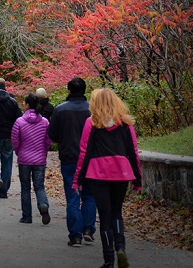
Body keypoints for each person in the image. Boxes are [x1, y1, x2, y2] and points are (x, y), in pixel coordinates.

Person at [73, 88, 142, 268]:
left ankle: (109, 260)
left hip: (98, 173)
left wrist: (78, 179)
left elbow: (84, 152)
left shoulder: (92, 123)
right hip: (121, 172)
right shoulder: (126, 123)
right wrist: (137, 179)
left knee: (104, 215)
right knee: (117, 212)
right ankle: (120, 247)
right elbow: (133, 152)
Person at [48, 77, 97, 247]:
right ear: (85, 91)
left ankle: (75, 235)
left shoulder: (61, 110)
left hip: (69, 157)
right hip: (91, 159)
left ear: (68, 90)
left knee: (73, 196)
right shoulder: (93, 110)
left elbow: (52, 134)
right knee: (90, 195)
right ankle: (88, 229)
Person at [11, 93, 52, 225]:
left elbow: (15, 140)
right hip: (40, 159)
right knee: (39, 186)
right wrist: (44, 152)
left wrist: (18, 152)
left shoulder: (19, 121)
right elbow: (48, 140)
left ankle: (27, 216)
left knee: (25, 187)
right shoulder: (45, 122)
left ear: (27, 105)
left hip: (24, 158)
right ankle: (43, 205)